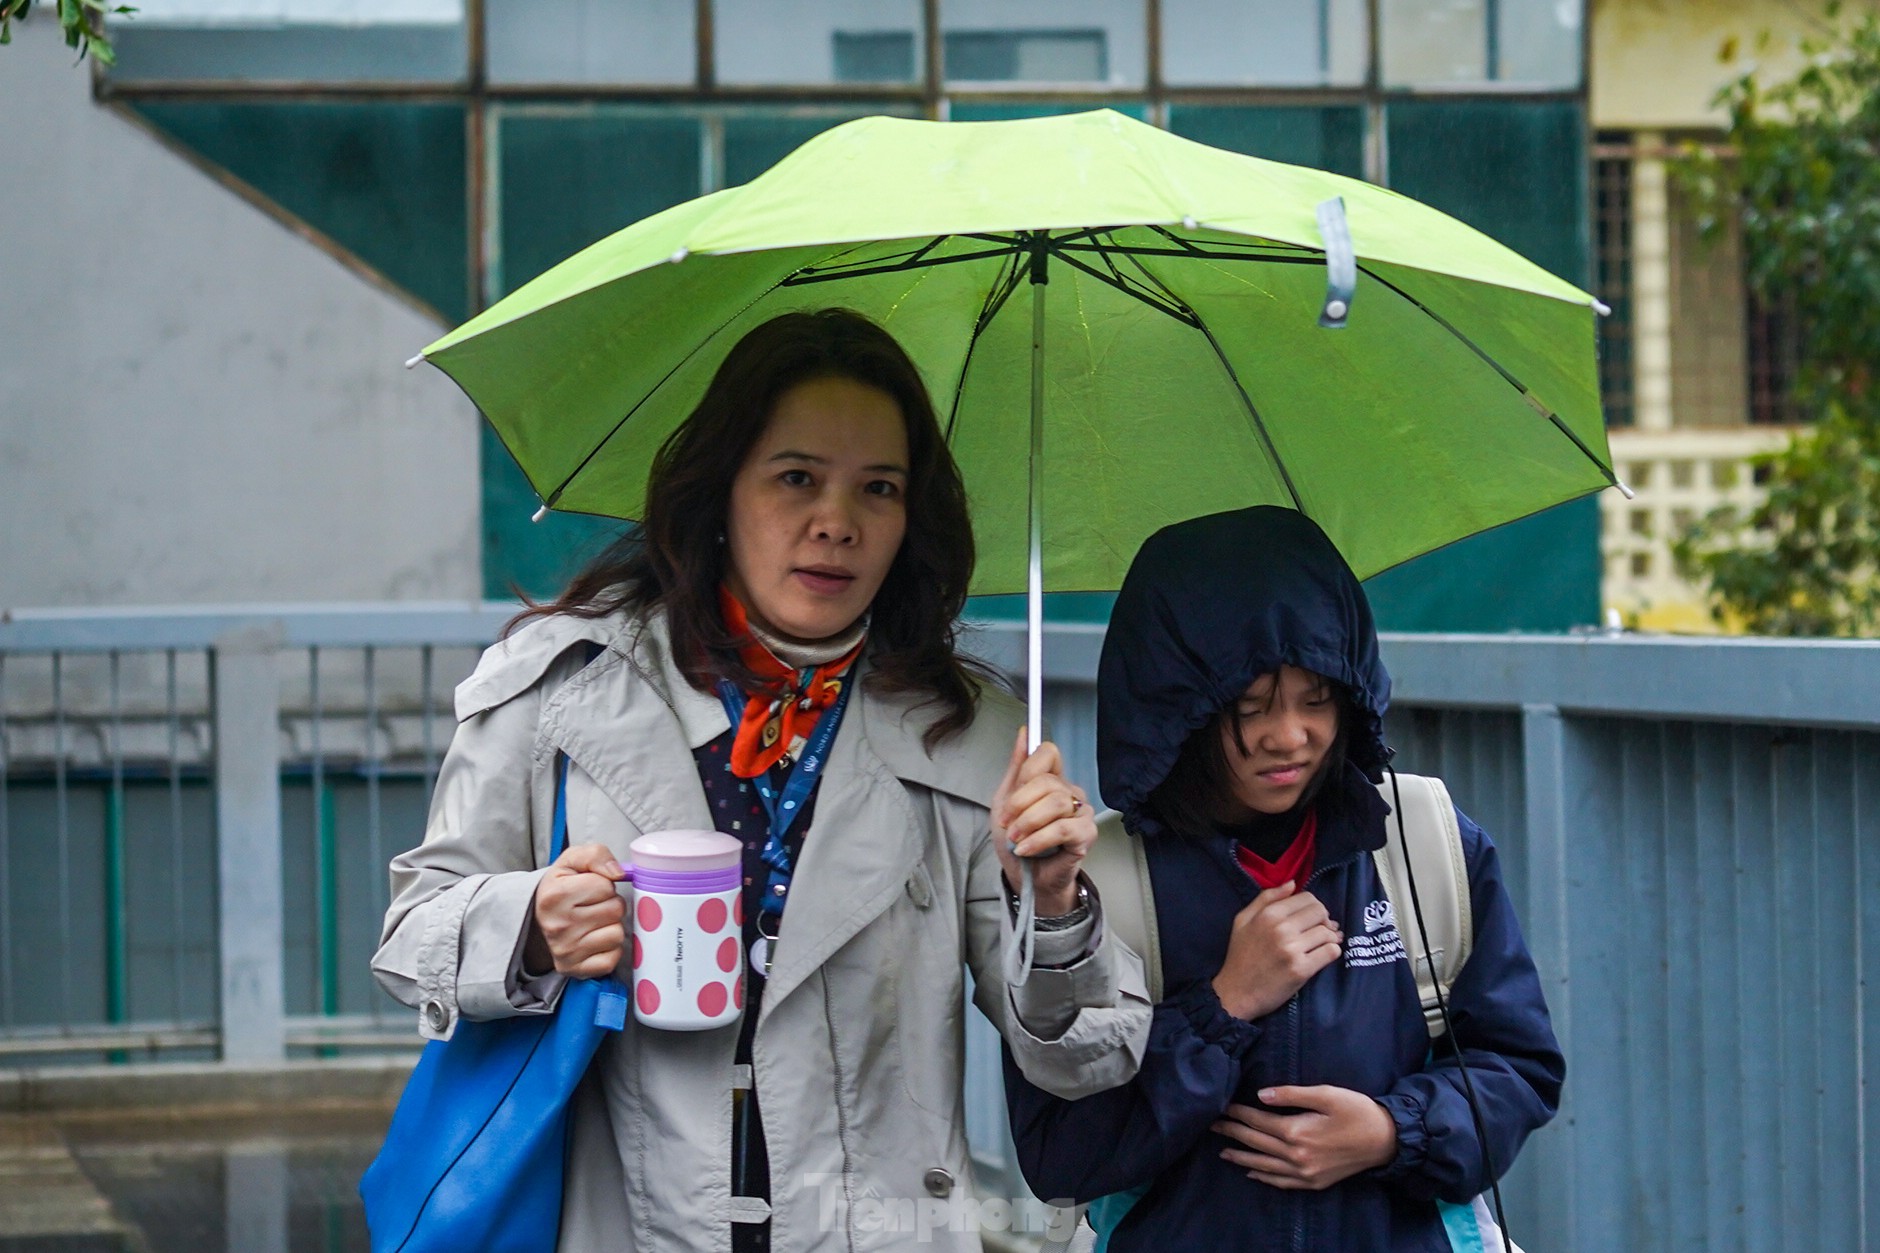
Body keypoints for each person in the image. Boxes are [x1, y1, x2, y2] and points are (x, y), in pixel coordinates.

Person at [371, 309, 1150, 1252]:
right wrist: (531, 925)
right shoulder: (562, 694)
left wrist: (1058, 900)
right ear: (721, 489)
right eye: (796, 478)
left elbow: (1078, 1059)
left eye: (879, 488)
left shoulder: (970, 735)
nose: (837, 522)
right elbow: (414, 937)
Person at [1004, 506, 1563, 1251]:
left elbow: (1520, 1067)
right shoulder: (1099, 883)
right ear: (1181, 705)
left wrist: (1394, 1130)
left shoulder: (1422, 838)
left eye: (1317, 697)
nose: (1290, 735)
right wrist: (1221, 1008)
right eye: (1251, 705)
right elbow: (1063, 1151)